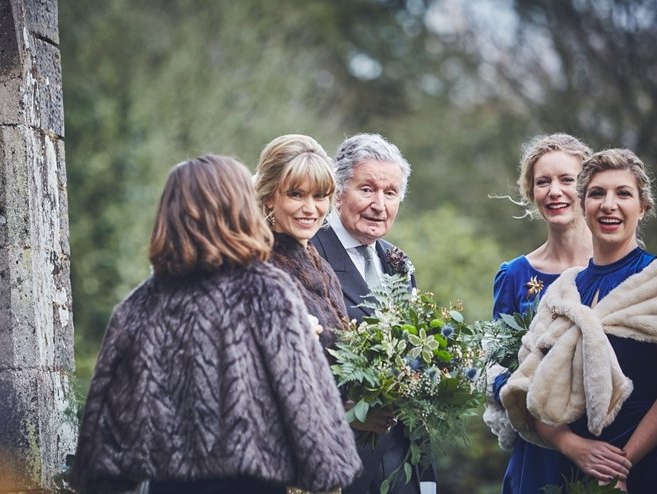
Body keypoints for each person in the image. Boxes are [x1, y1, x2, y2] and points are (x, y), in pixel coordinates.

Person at [70, 154, 361, 494]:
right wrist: (326, 471)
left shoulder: (139, 305)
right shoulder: (267, 291)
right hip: (252, 485)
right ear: (241, 208)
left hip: (169, 486)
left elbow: (108, 430)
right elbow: (303, 398)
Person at [501, 149, 657, 493]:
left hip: (641, 469)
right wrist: (573, 447)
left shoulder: (656, 280)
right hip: (566, 469)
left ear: (642, 207)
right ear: (583, 206)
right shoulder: (562, 291)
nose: (609, 204)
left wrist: (620, 465)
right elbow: (535, 388)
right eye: (597, 194)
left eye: (623, 194)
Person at [311, 133, 431, 494]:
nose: (379, 204)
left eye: (390, 193)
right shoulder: (310, 254)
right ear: (338, 191)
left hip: (398, 468)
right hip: (337, 464)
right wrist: (350, 410)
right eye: (367, 189)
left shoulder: (398, 262)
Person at [483, 133, 593, 494]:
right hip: (539, 449)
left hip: (610, 441)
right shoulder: (514, 274)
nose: (555, 191)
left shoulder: (624, 269)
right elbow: (494, 363)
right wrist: (523, 395)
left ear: (589, 188)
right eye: (543, 182)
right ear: (530, 192)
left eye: (567, 180)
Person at [254, 134, 348, 350]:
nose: (310, 208)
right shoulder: (259, 269)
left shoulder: (323, 268)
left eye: (320, 196)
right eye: (296, 194)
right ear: (269, 197)